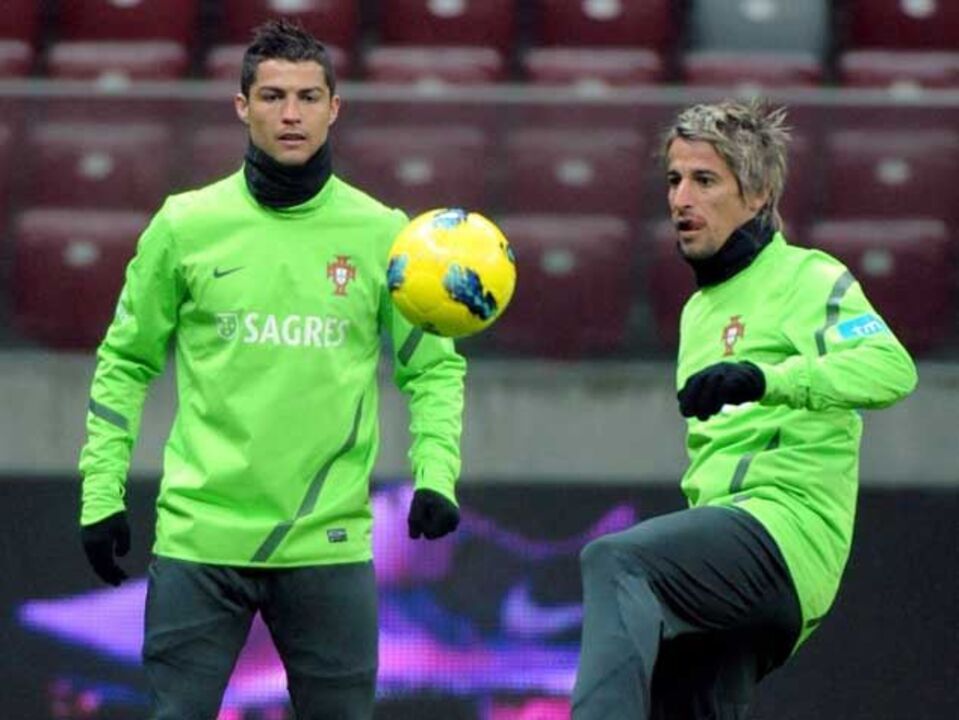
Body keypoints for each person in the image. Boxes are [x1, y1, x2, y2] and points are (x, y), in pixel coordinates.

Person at [77, 20, 465, 720]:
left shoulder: (384, 233)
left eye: (309, 97)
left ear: (334, 107)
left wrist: (435, 474)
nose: (291, 114)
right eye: (274, 96)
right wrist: (100, 492)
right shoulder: (185, 225)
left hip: (329, 542)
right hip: (201, 539)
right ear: (241, 105)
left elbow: (432, 369)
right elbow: (125, 362)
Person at [572, 99, 918, 719]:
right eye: (674, 180)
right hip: (730, 563)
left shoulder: (808, 276)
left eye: (705, 181)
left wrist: (768, 378)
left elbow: (892, 369)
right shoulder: (698, 311)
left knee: (615, 560)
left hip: (785, 535)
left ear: (757, 194)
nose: (682, 198)